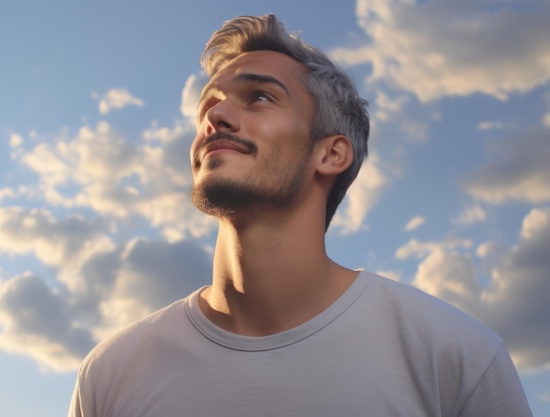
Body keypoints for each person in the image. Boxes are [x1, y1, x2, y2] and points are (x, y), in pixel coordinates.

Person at [68, 14, 532, 417]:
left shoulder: (453, 356)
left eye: (260, 98)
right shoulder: (110, 375)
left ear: (330, 154)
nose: (217, 115)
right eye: (210, 104)